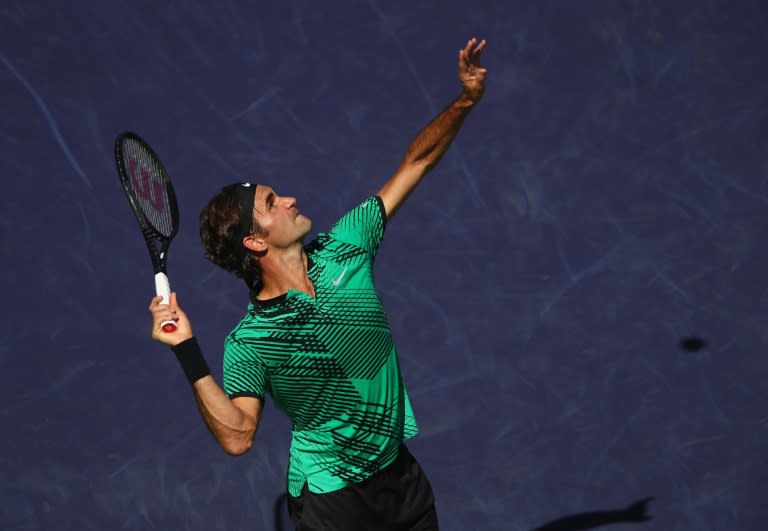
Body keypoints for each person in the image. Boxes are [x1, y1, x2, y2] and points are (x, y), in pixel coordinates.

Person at [149, 37, 487, 531]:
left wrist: (464, 100)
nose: (289, 199)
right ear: (256, 242)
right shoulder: (250, 344)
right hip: (334, 505)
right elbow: (238, 437)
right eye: (271, 203)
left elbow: (416, 162)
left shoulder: (346, 246)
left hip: (401, 478)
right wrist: (187, 350)